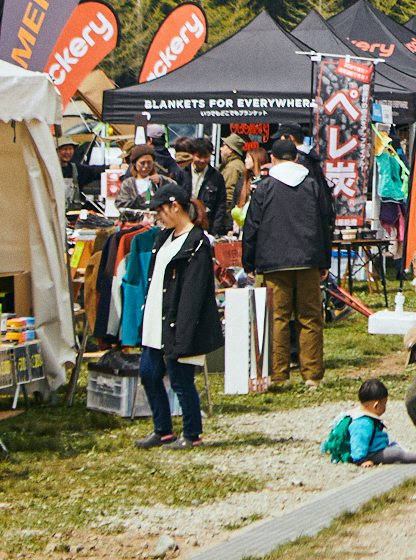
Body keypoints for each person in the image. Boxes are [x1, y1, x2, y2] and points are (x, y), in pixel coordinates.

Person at [130, 182, 221, 448]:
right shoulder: (163, 237)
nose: (156, 216)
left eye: (160, 210)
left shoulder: (197, 244)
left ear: (175, 206)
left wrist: (184, 330)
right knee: (148, 373)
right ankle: (163, 429)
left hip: (177, 323)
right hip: (156, 321)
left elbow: (194, 293)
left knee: (181, 380)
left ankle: (192, 434)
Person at [241, 134, 334, 387]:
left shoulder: (264, 187)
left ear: (272, 158)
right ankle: (313, 375)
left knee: (278, 319)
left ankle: (279, 375)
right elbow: (326, 223)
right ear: (296, 158)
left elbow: (252, 227)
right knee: (310, 318)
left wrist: (248, 263)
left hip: (273, 263)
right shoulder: (313, 185)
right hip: (308, 260)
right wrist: (324, 260)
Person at [339, 377, 416, 464]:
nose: (385, 407)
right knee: (397, 454)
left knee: (396, 448)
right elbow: (358, 441)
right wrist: (361, 460)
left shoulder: (360, 414)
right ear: (376, 405)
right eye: (384, 404)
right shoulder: (363, 423)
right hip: (372, 453)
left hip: (376, 447)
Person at [176, 137, 230, 237]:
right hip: (184, 222)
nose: (202, 160)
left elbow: (220, 205)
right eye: (199, 156)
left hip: (206, 225)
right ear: (192, 155)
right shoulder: (182, 174)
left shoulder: (216, 177)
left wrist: (215, 231)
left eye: (206, 157)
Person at [373, 130, 409, 250]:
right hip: (395, 193)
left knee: (396, 230)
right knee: (397, 230)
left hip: (394, 193)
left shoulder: (395, 155)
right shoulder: (395, 155)